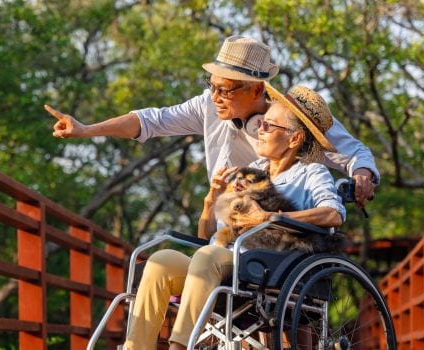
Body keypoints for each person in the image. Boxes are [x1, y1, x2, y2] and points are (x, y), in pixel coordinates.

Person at [125, 84, 346, 349]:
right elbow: (206, 238)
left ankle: (179, 346)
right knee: (161, 261)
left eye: (269, 126)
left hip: (271, 267)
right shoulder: (252, 170)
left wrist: (268, 217)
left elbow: (333, 214)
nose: (260, 130)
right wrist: (211, 200)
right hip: (228, 261)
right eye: (261, 123)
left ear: (295, 138)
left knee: (209, 257)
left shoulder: (312, 173)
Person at [44, 35, 379, 205]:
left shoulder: (293, 117)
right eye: (212, 86)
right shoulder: (208, 104)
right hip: (225, 219)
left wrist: (362, 175)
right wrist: (87, 129)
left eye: (227, 90)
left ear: (257, 89)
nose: (216, 96)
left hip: (282, 226)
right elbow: (150, 121)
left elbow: (354, 153)